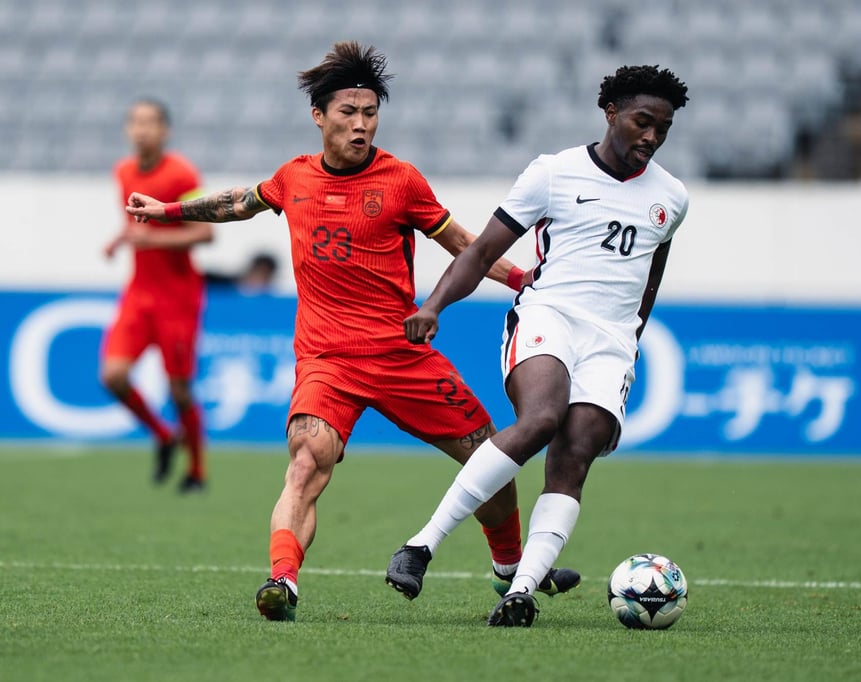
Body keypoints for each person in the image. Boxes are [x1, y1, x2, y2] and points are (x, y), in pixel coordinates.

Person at [125, 42, 579, 622]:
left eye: (369, 114)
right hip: (327, 361)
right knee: (307, 461)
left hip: (402, 354)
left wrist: (524, 278)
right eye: (348, 113)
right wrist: (166, 211)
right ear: (319, 116)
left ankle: (510, 569)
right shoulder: (293, 178)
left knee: (490, 458)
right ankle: (282, 581)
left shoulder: (401, 181)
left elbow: (465, 246)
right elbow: (238, 202)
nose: (360, 125)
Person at [386, 64, 691, 627]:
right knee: (542, 420)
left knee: (575, 455)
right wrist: (432, 307)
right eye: (643, 122)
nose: (651, 137)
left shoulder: (671, 199)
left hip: (611, 342)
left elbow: (651, 278)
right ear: (611, 113)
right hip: (549, 314)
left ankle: (520, 590)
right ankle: (420, 546)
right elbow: (478, 253)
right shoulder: (554, 173)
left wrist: (630, 339)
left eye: (663, 129)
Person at [101, 98, 213, 493]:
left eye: (150, 122)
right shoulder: (124, 171)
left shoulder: (181, 174)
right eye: (135, 122)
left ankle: (196, 471)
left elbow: (206, 232)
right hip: (139, 293)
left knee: (179, 390)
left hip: (177, 297)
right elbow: (136, 222)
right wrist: (121, 238)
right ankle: (164, 436)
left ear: (165, 130)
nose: (142, 129)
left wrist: (154, 238)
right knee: (112, 376)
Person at [205, 252, 279, 294]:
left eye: (264, 276)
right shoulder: (224, 287)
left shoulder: (269, 296)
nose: (259, 280)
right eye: (258, 273)